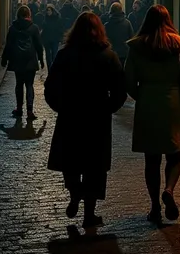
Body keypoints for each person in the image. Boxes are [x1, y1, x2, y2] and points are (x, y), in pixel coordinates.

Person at [44, 12, 127, 228]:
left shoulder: (64, 55)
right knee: (95, 167)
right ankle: (89, 214)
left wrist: (60, 107)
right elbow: (120, 91)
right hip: (96, 120)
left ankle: (75, 194)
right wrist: (107, 109)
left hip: (70, 117)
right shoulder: (108, 56)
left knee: (70, 162)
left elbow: (50, 86)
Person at [125, 5, 180, 225]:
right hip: (174, 102)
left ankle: (155, 206)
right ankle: (169, 189)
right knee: (174, 155)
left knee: (151, 159)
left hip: (148, 102)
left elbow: (128, 79)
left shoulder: (137, 47)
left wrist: (142, 95)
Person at [1, 5, 44, 120]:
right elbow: (39, 45)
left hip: (17, 59)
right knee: (29, 85)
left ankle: (19, 108)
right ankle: (30, 110)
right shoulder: (34, 28)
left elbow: (8, 44)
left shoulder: (13, 28)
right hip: (30, 59)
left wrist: (4, 58)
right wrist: (41, 59)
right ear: (29, 15)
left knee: (19, 84)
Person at [104, 2, 133, 69]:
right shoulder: (127, 23)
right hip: (124, 53)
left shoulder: (107, 25)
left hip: (111, 54)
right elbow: (131, 38)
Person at [41, 4, 64, 69]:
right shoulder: (45, 18)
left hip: (55, 39)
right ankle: (49, 69)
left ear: (52, 11)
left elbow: (60, 28)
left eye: (49, 10)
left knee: (54, 54)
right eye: (47, 10)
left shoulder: (57, 18)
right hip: (47, 39)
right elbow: (43, 28)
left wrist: (60, 37)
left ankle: (54, 69)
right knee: (48, 55)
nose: (48, 12)